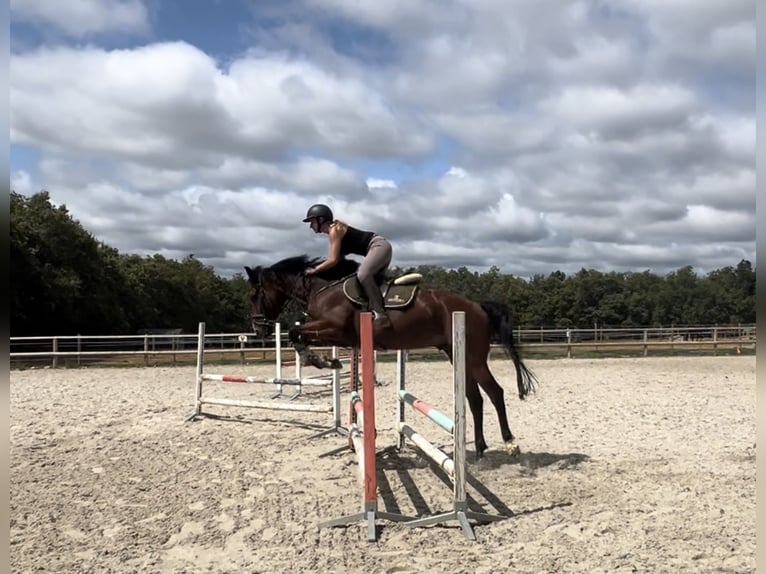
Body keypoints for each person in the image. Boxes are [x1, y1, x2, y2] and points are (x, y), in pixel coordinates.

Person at [302, 203, 393, 328]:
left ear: (321, 219)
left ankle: (380, 313)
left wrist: (314, 270)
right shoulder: (335, 232)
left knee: (364, 274)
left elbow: (332, 260)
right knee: (367, 281)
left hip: (378, 245)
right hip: (377, 248)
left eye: (312, 222)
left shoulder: (334, 231)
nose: (310, 226)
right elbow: (337, 261)